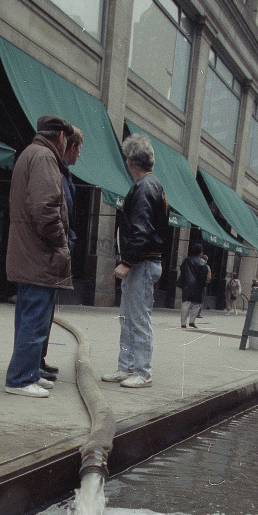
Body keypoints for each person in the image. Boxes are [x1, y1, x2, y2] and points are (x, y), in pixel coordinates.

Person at [5, 113, 74, 398]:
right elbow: (45, 210)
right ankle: (21, 379)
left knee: (28, 317)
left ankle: (28, 372)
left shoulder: (30, 154)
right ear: (60, 137)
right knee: (35, 319)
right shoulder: (45, 158)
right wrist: (61, 242)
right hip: (39, 255)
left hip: (27, 254)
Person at [101, 133, 169, 388]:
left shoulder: (144, 188)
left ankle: (141, 370)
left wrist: (127, 261)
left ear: (130, 161)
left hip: (141, 262)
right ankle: (129, 367)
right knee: (130, 316)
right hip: (144, 261)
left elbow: (141, 227)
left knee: (137, 317)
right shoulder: (151, 186)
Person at [39, 125, 84, 381]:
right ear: (71, 145)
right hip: (50, 253)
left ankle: (39, 359)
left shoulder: (65, 174)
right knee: (40, 310)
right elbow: (51, 212)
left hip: (58, 252)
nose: (79, 156)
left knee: (47, 310)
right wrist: (62, 243)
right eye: (79, 149)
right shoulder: (53, 169)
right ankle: (32, 363)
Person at [178, 243, 210, 328]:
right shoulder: (203, 263)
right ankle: (192, 321)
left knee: (185, 303)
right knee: (197, 304)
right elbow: (204, 276)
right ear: (201, 252)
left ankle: (183, 323)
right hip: (198, 286)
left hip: (187, 284)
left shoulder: (187, 260)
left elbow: (182, 269)